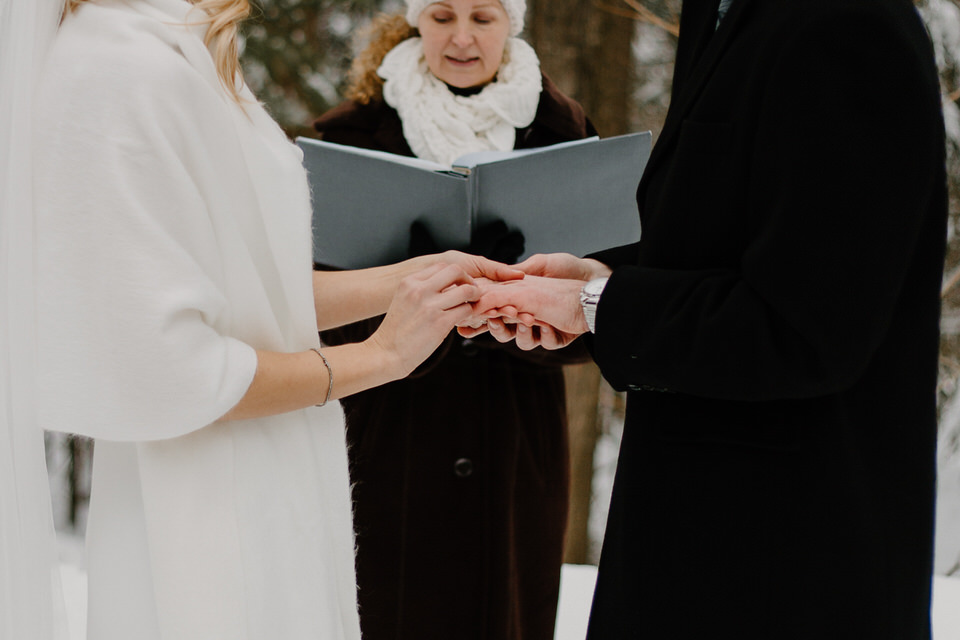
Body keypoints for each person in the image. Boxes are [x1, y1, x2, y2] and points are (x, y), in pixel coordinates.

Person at [0, 0, 521, 638]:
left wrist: (416, 280)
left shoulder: (179, 47)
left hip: (272, 491)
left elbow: (242, 288)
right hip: (205, 525)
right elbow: (168, 367)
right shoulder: (118, 69)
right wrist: (382, 357)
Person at [468, 0, 949, 638]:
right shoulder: (720, 10)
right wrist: (598, 283)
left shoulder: (848, 24)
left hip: (790, 566)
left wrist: (600, 308)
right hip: (689, 541)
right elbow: (723, 235)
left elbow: (805, 329)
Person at [310, 1, 596, 638]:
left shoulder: (564, 132)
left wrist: (523, 305)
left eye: (483, 17)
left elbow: (601, 307)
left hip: (516, 436)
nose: (462, 37)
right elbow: (311, 307)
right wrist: (409, 289)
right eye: (441, 16)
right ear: (417, 23)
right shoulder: (347, 138)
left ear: (511, 25)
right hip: (387, 433)